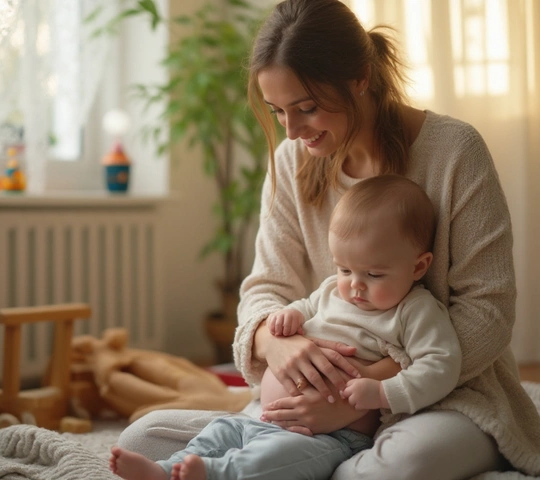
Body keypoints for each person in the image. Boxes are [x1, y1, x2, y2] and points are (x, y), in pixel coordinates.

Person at [117, 0, 540, 478]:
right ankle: (298, 462)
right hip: (310, 406)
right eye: (278, 112)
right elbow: (266, 289)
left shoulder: (454, 152)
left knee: (402, 465)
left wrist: (360, 393)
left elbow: (489, 313)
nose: (293, 132)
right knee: (142, 437)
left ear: (360, 77)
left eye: (308, 108)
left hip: (441, 396)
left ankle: (305, 465)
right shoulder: (291, 162)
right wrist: (275, 346)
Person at [110, 174, 462, 480]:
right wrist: (287, 316)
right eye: (344, 269)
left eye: (374, 274)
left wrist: (383, 393)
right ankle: (165, 470)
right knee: (220, 431)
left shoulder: (414, 310)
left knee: (275, 460)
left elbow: (442, 364)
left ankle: (214, 475)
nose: (355, 286)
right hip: (260, 418)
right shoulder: (330, 291)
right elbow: (303, 306)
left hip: (327, 437)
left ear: (418, 267)